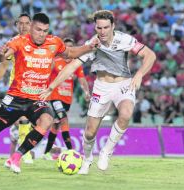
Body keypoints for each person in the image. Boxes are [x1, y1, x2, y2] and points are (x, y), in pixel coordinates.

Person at [0, 12, 98, 175]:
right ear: (31, 27)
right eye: (39, 29)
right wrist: (1, 54)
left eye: (45, 30)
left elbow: (70, 53)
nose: (42, 34)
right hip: (15, 98)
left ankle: (16, 156)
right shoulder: (18, 42)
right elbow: (3, 57)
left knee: (47, 120)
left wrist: (88, 47)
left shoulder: (54, 43)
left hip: (36, 99)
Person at [40, 10, 156, 174]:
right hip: (101, 87)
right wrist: (51, 87)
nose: (102, 32)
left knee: (126, 114)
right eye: (99, 28)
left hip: (123, 84)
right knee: (89, 133)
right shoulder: (92, 45)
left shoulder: (125, 39)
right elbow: (71, 67)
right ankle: (87, 160)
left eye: (106, 28)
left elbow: (150, 55)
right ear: (95, 27)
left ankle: (106, 151)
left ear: (112, 26)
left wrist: (139, 74)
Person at [0, 13, 34, 166]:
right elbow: (3, 64)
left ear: (31, 24)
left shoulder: (39, 40)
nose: (23, 26)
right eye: (20, 23)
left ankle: (21, 148)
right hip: (17, 86)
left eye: (26, 23)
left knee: (34, 120)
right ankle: (23, 152)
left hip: (36, 85)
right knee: (22, 118)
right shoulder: (13, 43)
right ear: (16, 25)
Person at [43, 38, 90, 160]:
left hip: (67, 100)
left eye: (71, 47)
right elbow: (45, 73)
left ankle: (46, 152)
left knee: (56, 126)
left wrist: (86, 91)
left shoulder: (75, 64)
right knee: (63, 119)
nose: (68, 50)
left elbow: (82, 79)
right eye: (66, 47)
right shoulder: (56, 61)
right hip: (54, 97)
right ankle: (71, 152)